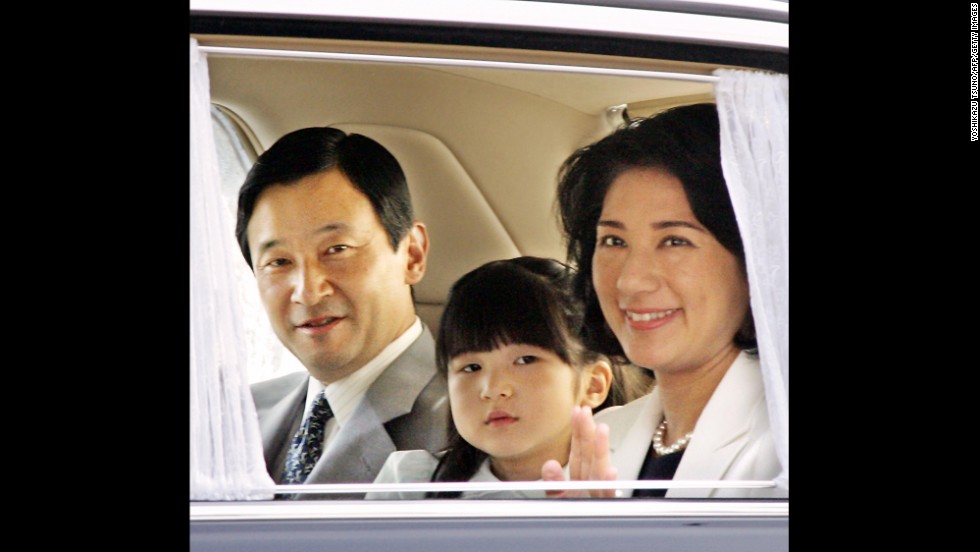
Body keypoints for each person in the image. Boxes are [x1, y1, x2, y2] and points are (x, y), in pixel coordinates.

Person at [541, 103, 783, 498]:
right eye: (614, 241)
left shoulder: (779, 448)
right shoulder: (604, 437)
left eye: (674, 241)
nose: (631, 280)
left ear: (754, 261)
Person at [236, 127, 448, 498]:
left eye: (336, 249)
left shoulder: (483, 424)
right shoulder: (230, 423)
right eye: (279, 261)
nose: (308, 291)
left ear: (412, 254)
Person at [367, 256, 613, 499]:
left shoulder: (630, 480)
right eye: (472, 367)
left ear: (593, 384)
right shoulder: (410, 487)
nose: (493, 389)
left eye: (525, 360)